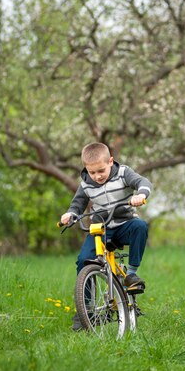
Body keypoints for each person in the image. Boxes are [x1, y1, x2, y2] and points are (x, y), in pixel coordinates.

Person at [60, 142, 152, 331]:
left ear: (110, 161)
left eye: (101, 170)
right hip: (100, 229)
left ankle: (131, 276)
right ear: (86, 169)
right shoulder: (86, 183)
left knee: (140, 226)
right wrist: (70, 215)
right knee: (84, 260)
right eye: (92, 172)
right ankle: (86, 310)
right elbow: (77, 204)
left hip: (124, 224)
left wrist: (140, 195)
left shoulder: (123, 173)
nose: (97, 176)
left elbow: (143, 182)